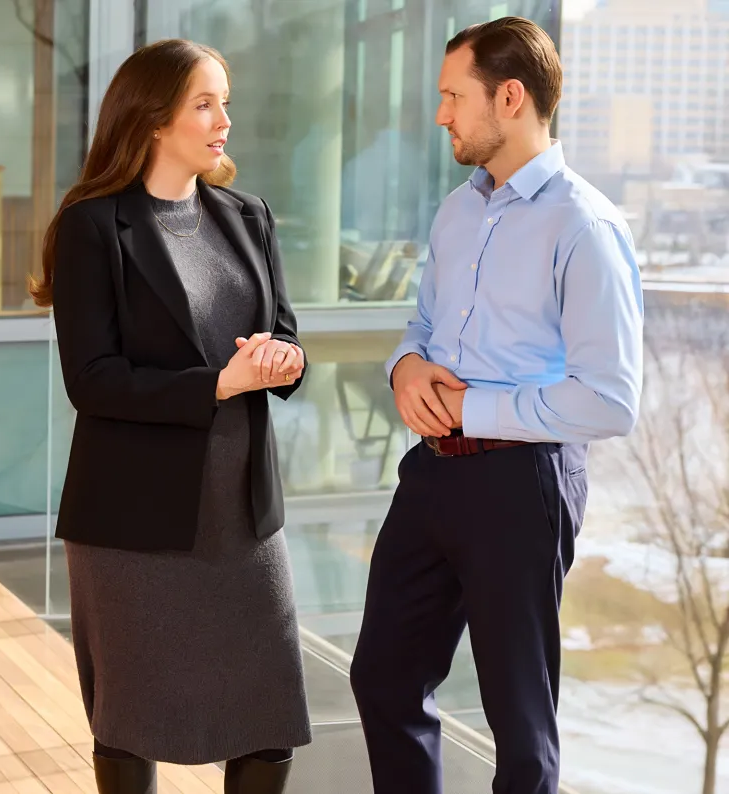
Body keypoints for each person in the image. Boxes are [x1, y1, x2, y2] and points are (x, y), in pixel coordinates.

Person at [349, 17, 644, 794]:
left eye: (454, 96)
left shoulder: (586, 226)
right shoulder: (457, 210)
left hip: (523, 485)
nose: (441, 113)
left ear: (510, 97)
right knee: (382, 679)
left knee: (519, 728)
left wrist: (470, 410)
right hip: (432, 476)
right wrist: (406, 367)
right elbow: (423, 325)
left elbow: (609, 400)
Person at [31, 38, 311, 794]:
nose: (225, 118)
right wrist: (217, 384)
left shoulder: (246, 215)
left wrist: (284, 360)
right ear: (154, 119)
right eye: (205, 102)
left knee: (269, 718)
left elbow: (283, 331)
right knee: (132, 722)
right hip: (132, 525)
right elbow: (93, 381)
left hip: (243, 516)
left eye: (226, 101)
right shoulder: (94, 227)